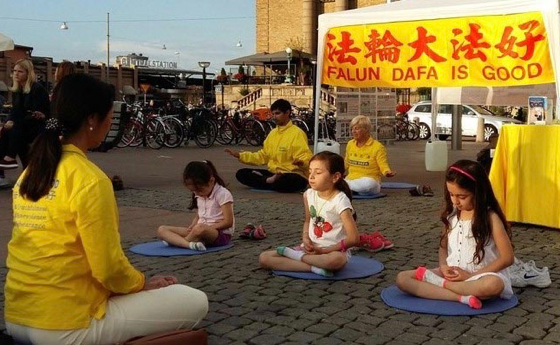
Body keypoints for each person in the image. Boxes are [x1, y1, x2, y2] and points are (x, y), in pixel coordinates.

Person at [5, 73, 208, 344]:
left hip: (17, 317)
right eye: (110, 115)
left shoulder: (30, 172)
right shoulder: (90, 178)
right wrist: (140, 285)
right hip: (64, 324)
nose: (112, 123)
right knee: (195, 301)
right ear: (92, 119)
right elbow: (108, 268)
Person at [395, 160, 514, 309]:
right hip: (452, 273)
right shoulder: (451, 216)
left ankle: (441, 286)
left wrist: (469, 277)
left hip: (479, 276)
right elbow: (443, 248)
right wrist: (444, 266)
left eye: (462, 197)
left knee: (493, 285)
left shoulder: (490, 218)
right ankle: (460, 297)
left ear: (478, 192)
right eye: (451, 194)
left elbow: (507, 258)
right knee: (403, 279)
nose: (455, 201)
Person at [259, 151, 360, 277]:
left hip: (333, 251)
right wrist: (306, 238)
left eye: (317, 173)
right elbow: (308, 220)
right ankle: (313, 268)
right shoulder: (309, 194)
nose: (311, 176)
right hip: (310, 251)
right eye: (310, 171)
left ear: (335, 177)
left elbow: (354, 238)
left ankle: (296, 257)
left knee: (335, 261)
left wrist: (324, 250)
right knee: (264, 258)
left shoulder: (340, 200)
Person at [225, 98, 312, 193]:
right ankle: (269, 181)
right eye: (273, 114)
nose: (274, 117)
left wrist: (301, 162)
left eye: (277, 113)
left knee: (288, 181)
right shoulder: (273, 133)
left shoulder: (297, 133)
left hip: (291, 174)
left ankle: (265, 181)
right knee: (241, 173)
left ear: (287, 113)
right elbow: (263, 156)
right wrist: (241, 156)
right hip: (274, 173)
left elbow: (306, 157)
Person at [157, 160, 234, 251]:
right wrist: (192, 226)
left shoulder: (222, 194)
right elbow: (199, 216)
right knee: (161, 229)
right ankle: (189, 244)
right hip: (198, 230)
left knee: (200, 228)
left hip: (218, 233)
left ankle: (178, 242)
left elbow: (228, 222)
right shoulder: (199, 195)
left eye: (200, 190)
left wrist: (207, 227)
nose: (197, 193)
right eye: (194, 191)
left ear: (211, 181)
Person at [0, 59, 50, 170]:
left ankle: (11, 157)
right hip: (24, 124)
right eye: (14, 71)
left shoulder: (37, 89)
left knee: (15, 127)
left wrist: (15, 121)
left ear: (28, 73)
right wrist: (9, 120)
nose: (16, 74)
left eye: (20, 71)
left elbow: (36, 113)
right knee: (5, 129)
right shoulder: (17, 89)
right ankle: (4, 161)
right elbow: (15, 110)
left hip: (38, 124)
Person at [344, 115, 396, 195]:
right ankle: (351, 189)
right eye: (352, 129)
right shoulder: (350, 144)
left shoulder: (377, 147)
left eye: (357, 129)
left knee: (368, 185)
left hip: (370, 180)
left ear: (366, 130)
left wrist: (387, 172)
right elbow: (346, 162)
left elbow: (383, 164)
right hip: (351, 179)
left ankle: (345, 188)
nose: (353, 131)